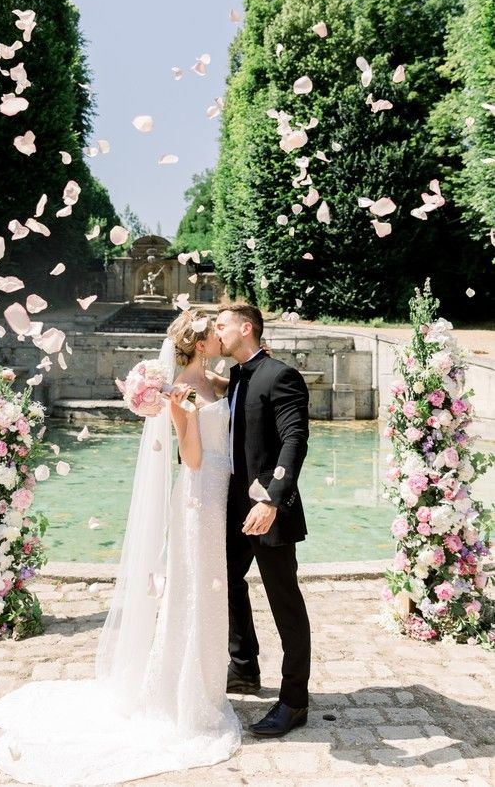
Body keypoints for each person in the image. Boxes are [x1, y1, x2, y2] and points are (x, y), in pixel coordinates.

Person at [0, 309, 242, 786]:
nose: (221, 338)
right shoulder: (181, 393)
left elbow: (226, 406)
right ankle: (185, 696)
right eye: (213, 334)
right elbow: (194, 457)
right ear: (201, 344)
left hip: (220, 492)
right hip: (201, 495)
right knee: (194, 591)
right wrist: (183, 412)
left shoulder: (217, 381)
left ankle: (204, 684)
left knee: (211, 589)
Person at [214, 303, 311, 738]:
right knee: (227, 581)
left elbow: (295, 439)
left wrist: (273, 498)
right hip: (234, 507)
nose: (217, 330)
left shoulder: (281, 375)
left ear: (246, 328)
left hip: (268, 509)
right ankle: (245, 668)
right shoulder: (237, 375)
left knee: (284, 602)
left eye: (222, 324)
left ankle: (294, 702)